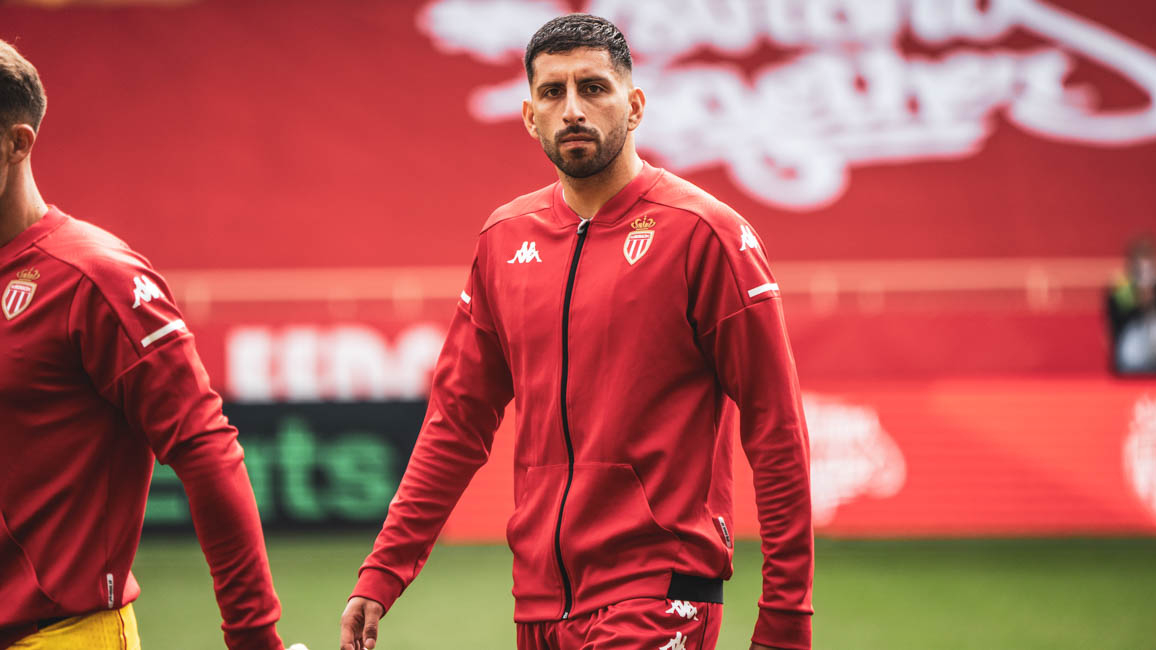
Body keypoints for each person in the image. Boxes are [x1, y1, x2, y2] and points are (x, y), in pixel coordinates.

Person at [340, 14, 812, 650]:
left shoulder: (707, 234)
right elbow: (455, 423)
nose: (572, 110)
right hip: (538, 603)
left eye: (593, 88)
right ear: (530, 116)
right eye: (552, 92)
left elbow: (776, 428)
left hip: (659, 592)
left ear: (634, 105)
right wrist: (383, 571)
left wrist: (787, 617)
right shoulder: (503, 240)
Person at [0, 39, 286, 649]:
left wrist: (255, 638)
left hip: (58, 635)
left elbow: (206, 450)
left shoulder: (93, 277)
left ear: (17, 143)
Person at [1107, 235, 1156, 374]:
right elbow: (1117, 324)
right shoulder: (1121, 289)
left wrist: (1153, 298)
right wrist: (1140, 302)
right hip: (1132, 348)